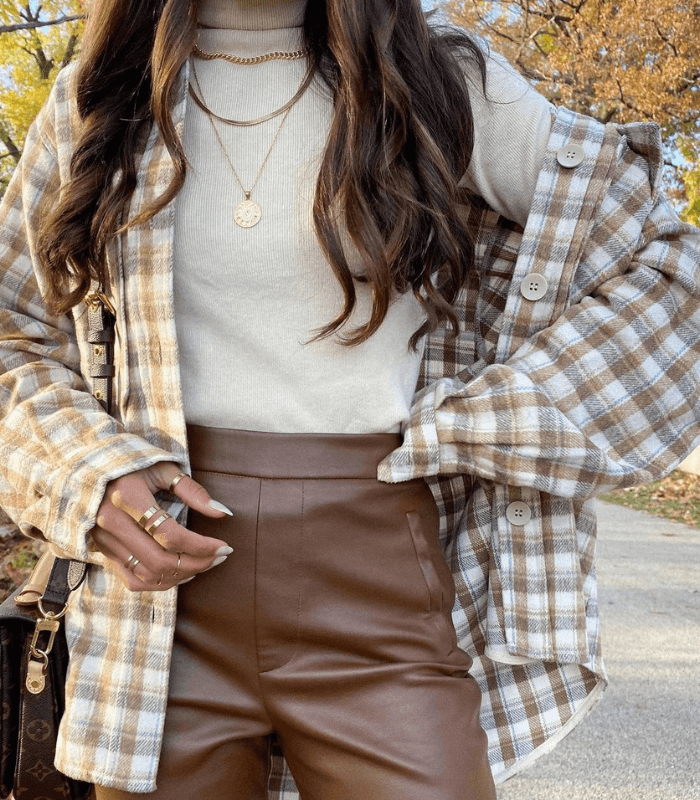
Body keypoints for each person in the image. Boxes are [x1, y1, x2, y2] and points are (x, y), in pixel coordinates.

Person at [1, 0, 699, 797]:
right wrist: (87, 472)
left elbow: (668, 261)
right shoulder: (101, 99)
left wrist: (498, 417)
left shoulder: (439, 83)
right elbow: (12, 328)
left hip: (380, 581)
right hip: (157, 606)